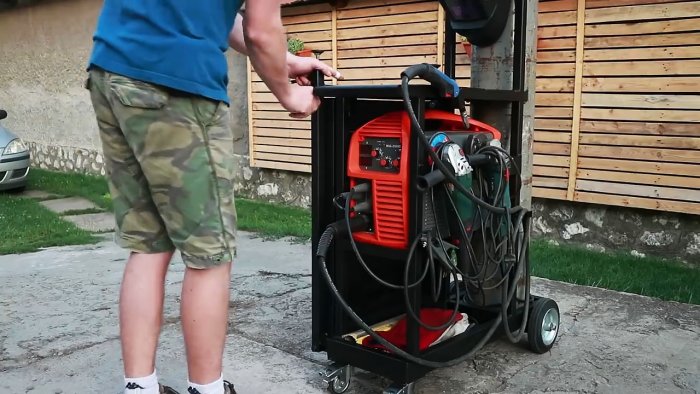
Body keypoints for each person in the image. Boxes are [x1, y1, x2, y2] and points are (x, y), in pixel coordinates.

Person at [85, 1, 341, 393]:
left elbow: (219, 19)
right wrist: (289, 95)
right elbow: (260, 28)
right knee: (210, 254)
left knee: (148, 244)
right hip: (175, 85)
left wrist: (285, 59)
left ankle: (139, 387)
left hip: (112, 73)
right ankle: (207, 388)